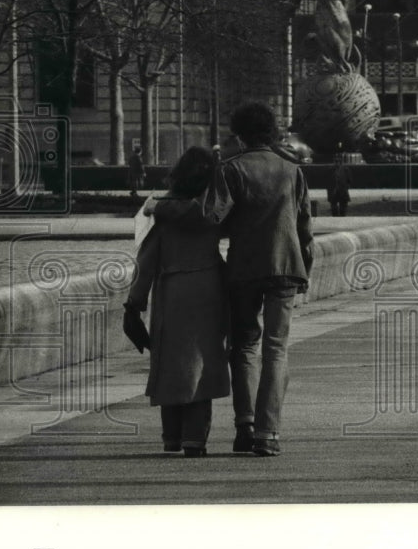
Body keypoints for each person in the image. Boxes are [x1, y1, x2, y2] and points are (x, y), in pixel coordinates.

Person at [203, 102, 314, 457]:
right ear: (271, 132)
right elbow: (304, 226)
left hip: (244, 268)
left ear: (238, 134)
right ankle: (268, 433)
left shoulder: (230, 169)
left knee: (244, 345)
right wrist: (304, 272)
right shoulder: (292, 170)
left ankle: (245, 425)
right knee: (276, 348)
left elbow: (212, 220)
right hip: (285, 265)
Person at [123, 147, 231, 458]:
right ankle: (196, 438)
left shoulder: (161, 211)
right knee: (203, 362)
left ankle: (172, 437)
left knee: (171, 363)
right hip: (209, 287)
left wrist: (134, 303)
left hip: (173, 290)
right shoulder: (214, 210)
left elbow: (147, 262)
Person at [328, 151, 353, 216]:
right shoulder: (330, 170)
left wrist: (346, 187)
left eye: (338, 161)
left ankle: (342, 217)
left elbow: (349, 180)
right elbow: (327, 181)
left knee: (343, 208)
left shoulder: (345, 169)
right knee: (334, 208)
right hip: (334, 190)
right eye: (336, 161)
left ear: (341, 162)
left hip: (342, 190)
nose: (337, 163)